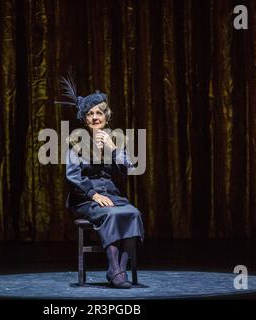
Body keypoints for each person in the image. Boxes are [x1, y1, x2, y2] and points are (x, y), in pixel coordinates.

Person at [56, 76, 144, 289]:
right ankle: (114, 268)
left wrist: (113, 149)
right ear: (84, 119)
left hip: (113, 196)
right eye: (90, 114)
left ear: (106, 116)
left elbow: (129, 169)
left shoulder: (116, 140)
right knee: (112, 214)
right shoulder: (77, 142)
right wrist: (93, 195)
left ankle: (118, 270)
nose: (95, 117)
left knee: (133, 213)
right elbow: (73, 175)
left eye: (99, 113)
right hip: (86, 199)